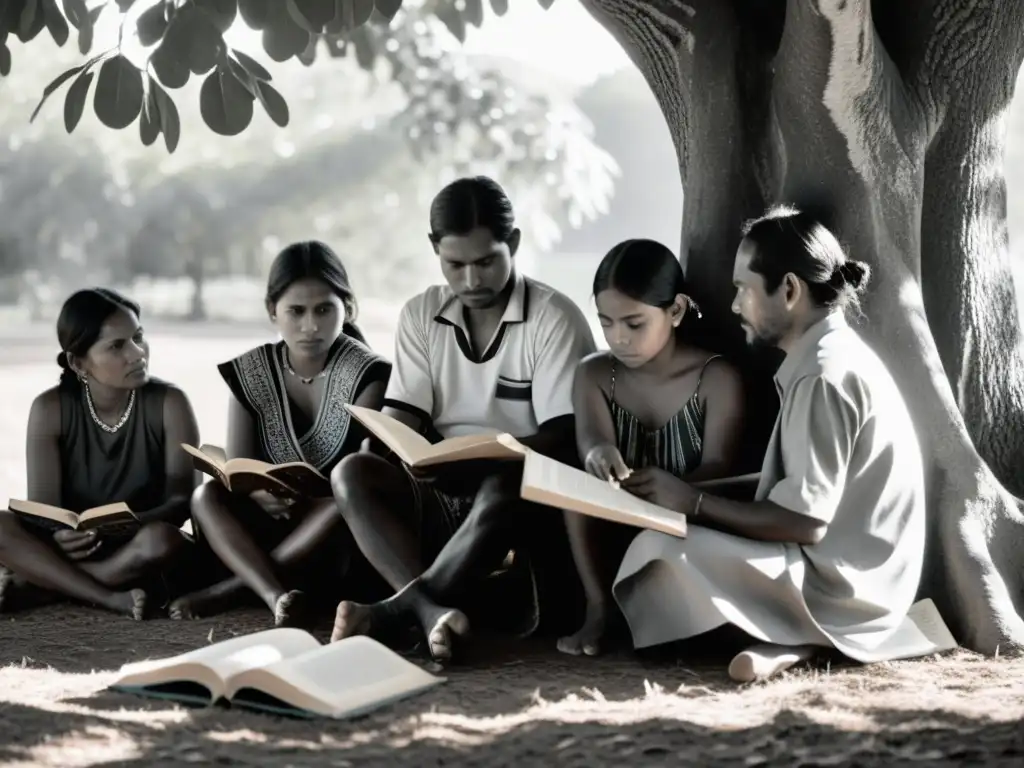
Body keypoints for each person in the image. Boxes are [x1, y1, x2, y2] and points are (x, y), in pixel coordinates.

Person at [609, 206, 927, 682]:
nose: (735, 305)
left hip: (847, 591)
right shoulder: (826, 357)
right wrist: (692, 493)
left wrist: (693, 502)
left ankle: (812, 639)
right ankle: (794, 643)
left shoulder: (823, 375)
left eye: (743, 289)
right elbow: (806, 484)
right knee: (658, 546)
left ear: (791, 290)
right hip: (859, 574)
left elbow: (805, 521)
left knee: (658, 553)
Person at [329, 176, 597, 660]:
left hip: (518, 500)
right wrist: (388, 447)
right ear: (435, 250)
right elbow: (403, 416)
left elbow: (564, 437)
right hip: (440, 487)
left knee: (506, 481)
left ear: (513, 244)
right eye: (455, 264)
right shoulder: (421, 314)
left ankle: (397, 613)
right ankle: (431, 610)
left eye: (486, 261)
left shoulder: (554, 317)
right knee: (352, 471)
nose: (472, 280)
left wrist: (480, 465)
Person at [169, 242, 391, 627]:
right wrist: (256, 492)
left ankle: (236, 589)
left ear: (347, 309)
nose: (310, 326)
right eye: (296, 311)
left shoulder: (370, 374)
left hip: (334, 536)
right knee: (206, 494)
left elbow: (360, 475)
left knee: (345, 502)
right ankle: (276, 595)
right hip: (268, 523)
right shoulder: (251, 372)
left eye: (324, 310)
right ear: (273, 311)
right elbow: (238, 470)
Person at [557, 239, 746, 657]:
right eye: (606, 323)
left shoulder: (716, 379)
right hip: (613, 524)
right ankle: (599, 609)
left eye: (634, 323)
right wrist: (597, 454)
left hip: (689, 521)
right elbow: (592, 439)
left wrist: (667, 494)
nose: (618, 338)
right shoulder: (593, 374)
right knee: (574, 498)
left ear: (675, 310)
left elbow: (720, 468)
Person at [0, 288, 200, 619]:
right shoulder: (50, 409)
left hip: (140, 547)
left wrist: (128, 524)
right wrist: (60, 536)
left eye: (138, 337)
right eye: (117, 345)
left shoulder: (170, 403)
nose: (138, 353)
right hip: (76, 550)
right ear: (79, 363)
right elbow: (45, 511)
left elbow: (182, 502)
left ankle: (40, 587)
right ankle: (109, 598)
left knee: (162, 541)